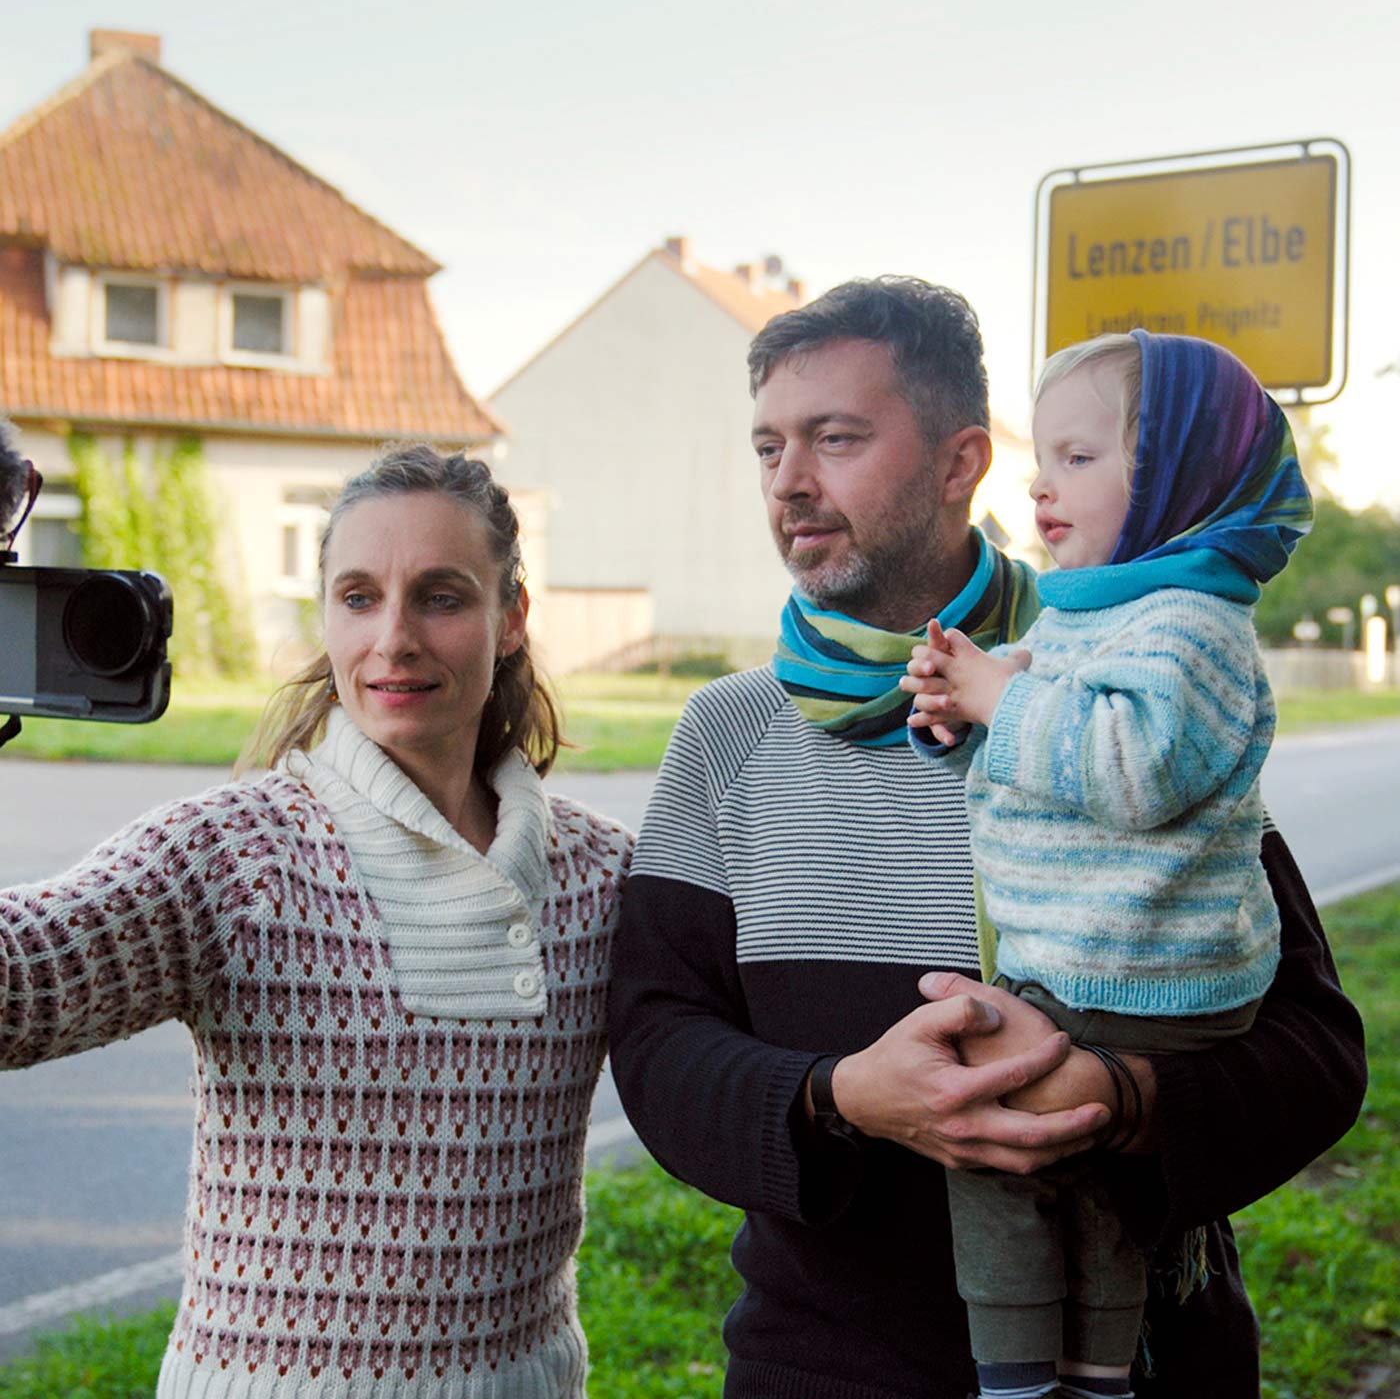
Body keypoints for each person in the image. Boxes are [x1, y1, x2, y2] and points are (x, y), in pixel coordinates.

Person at [606, 278, 1366, 1399]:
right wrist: (837, 1095)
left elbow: (1313, 1048)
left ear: (960, 462)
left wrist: (1124, 1100)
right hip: (828, 1365)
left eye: (836, 438)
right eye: (768, 445)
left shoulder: (1129, 689)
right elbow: (658, 1047)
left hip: (1148, 1363)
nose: (789, 482)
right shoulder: (728, 733)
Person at [0, 441, 632, 1397]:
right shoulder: (230, 857)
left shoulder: (602, 877)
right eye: (359, 597)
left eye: (443, 596)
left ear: (512, 618)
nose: (393, 640)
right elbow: (17, 988)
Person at [900, 330, 1313, 1399]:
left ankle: (1016, 1378)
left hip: (1142, 977)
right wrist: (955, 715)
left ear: (1182, 474)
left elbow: (1125, 768)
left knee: (985, 1137)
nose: (1040, 482)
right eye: (1044, 456)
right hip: (1097, 964)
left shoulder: (1192, 628)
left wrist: (1000, 694)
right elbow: (1028, 760)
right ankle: (1090, 1373)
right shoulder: (1093, 615)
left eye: (1079, 457)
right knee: (1081, 1178)